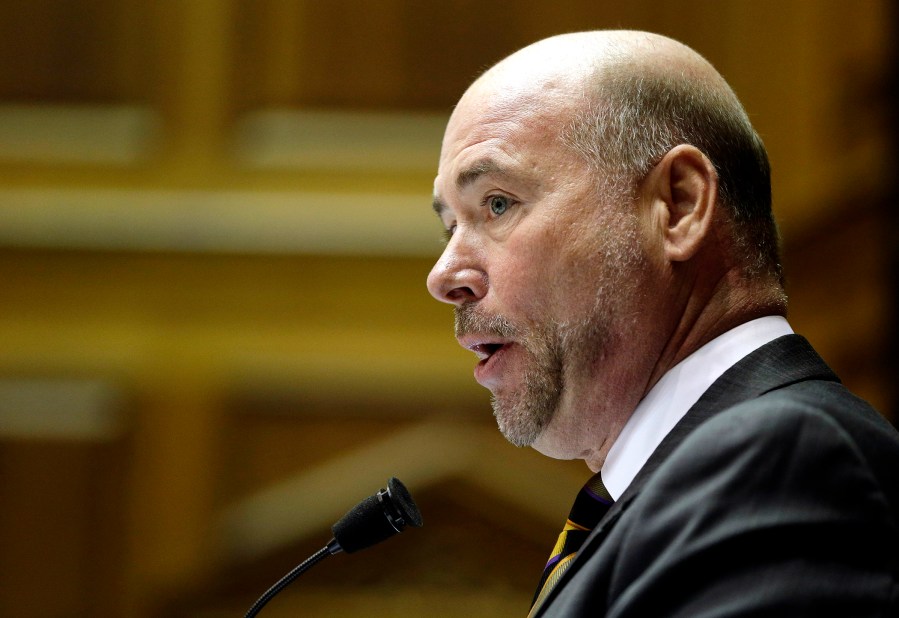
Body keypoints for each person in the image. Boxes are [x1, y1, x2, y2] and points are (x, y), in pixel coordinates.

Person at [426, 30, 899, 617]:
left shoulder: (784, 464)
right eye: (450, 227)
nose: (444, 276)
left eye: (497, 204)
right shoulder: (687, 484)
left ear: (677, 205)